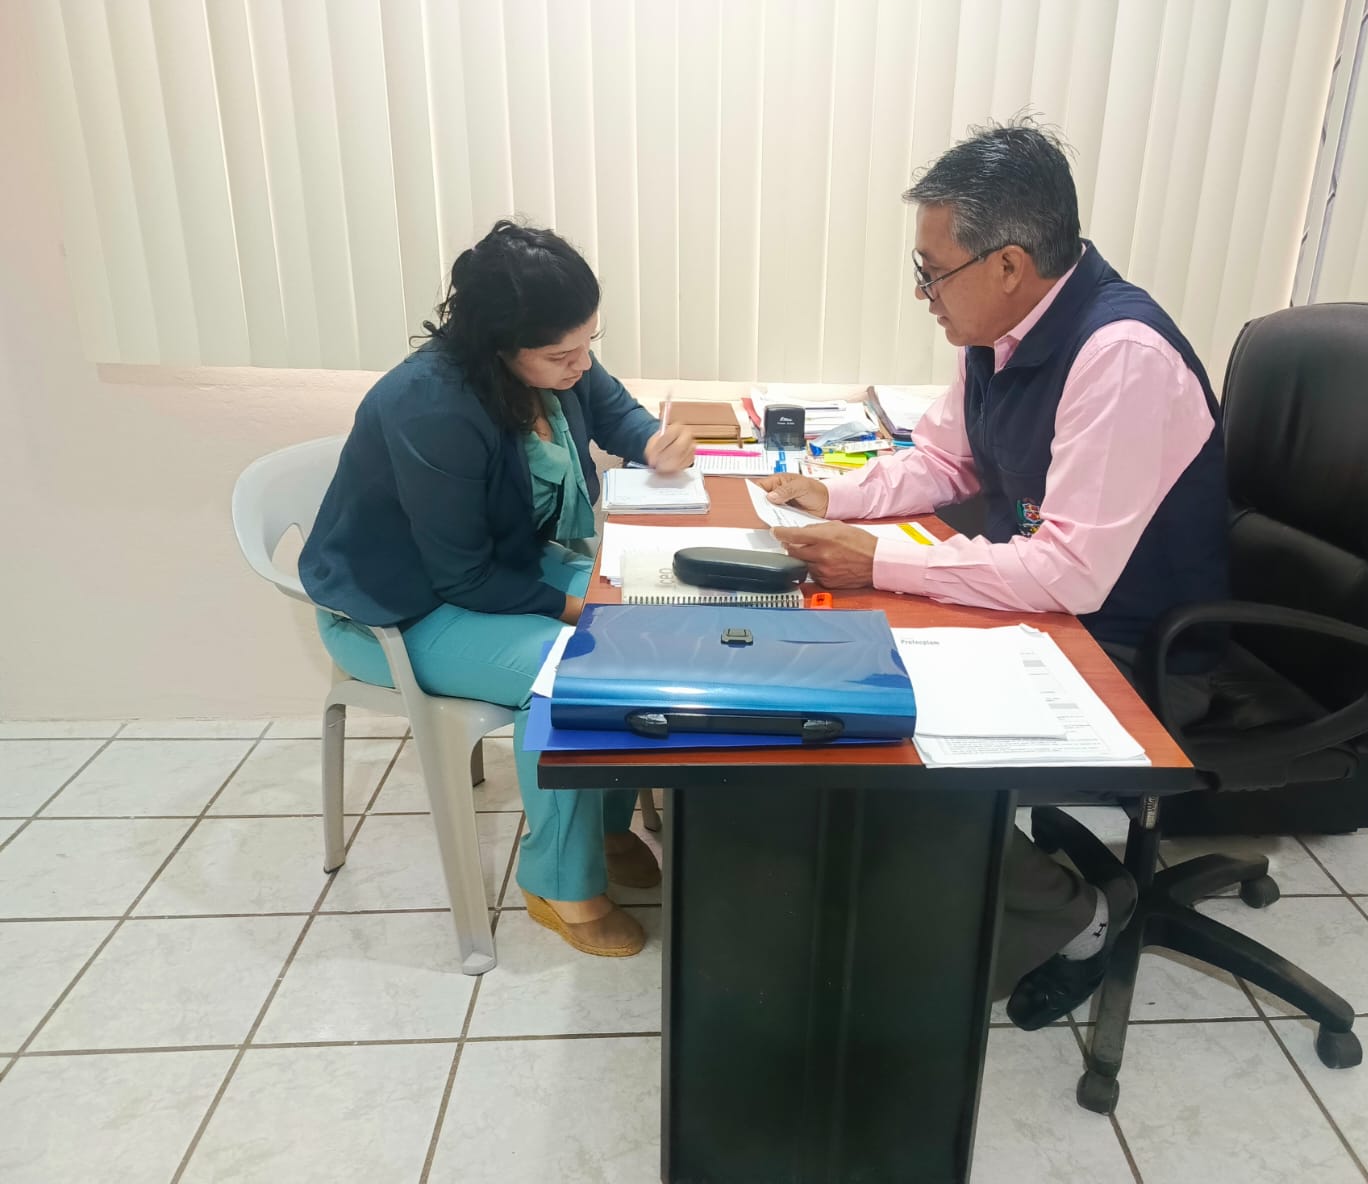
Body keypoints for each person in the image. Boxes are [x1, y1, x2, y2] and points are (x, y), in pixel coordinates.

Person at [756, 121, 1229, 1025]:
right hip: (1054, 616)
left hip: (1132, 649)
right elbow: (946, 461)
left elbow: (1071, 573)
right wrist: (834, 496)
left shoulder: (1119, 354)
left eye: (932, 271)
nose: (924, 293)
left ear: (1008, 265)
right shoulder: (1001, 333)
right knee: (850, 679)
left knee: (893, 738)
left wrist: (880, 560)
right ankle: (912, 899)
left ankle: (1073, 916)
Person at [300, 220, 696, 958]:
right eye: (562, 355)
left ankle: (603, 827)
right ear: (496, 345)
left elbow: (612, 406)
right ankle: (559, 885)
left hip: (502, 566)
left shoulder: (552, 356)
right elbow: (462, 575)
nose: (581, 364)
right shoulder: (430, 408)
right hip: (401, 607)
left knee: (645, 619)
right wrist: (578, 609)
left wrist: (651, 440)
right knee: (571, 674)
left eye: (589, 343)